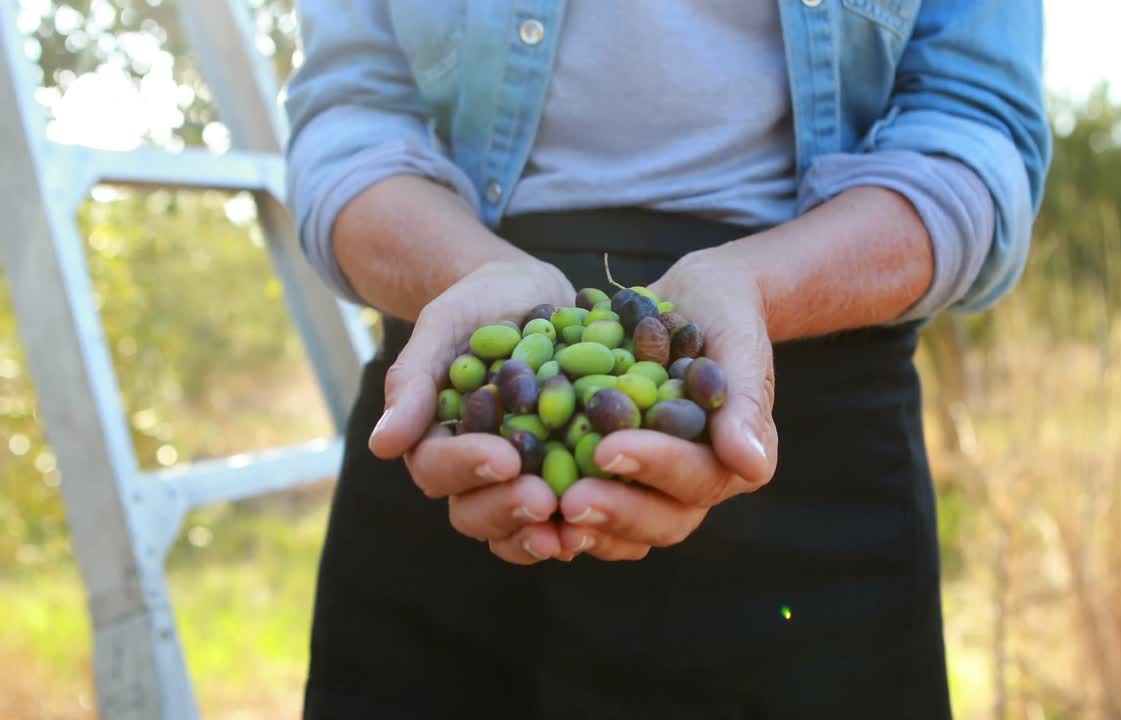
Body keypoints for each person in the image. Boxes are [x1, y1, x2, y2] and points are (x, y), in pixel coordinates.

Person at [285, 2, 1049, 717]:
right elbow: (349, 119)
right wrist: (465, 274)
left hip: (816, 408)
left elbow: (977, 132)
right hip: (463, 373)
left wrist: (757, 285)